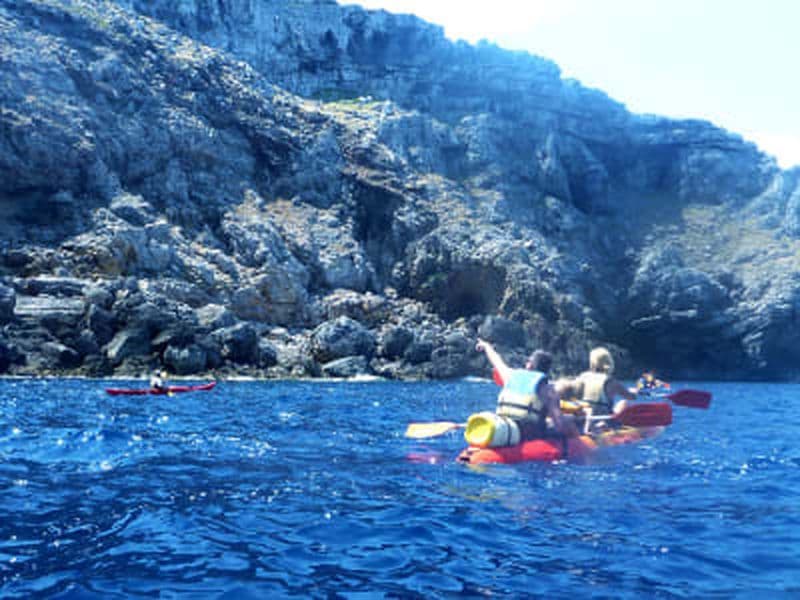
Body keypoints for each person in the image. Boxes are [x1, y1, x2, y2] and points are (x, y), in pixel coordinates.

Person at [475, 339, 576, 440]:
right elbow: (559, 424)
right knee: (569, 421)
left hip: (504, 426)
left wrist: (486, 346)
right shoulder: (548, 390)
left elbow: (497, 361)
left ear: (530, 365)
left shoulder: (510, 375)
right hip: (528, 434)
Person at [558, 347, 636, 426]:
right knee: (624, 403)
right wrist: (634, 392)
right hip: (603, 418)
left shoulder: (583, 376)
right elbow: (631, 397)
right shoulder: (610, 381)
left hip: (584, 417)